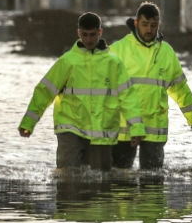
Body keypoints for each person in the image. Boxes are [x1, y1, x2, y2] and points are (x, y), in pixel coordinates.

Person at [18, 12, 146, 171]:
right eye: (85, 35)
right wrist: (29, 123)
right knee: (68, 176)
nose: (89, 39)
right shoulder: (68, 61)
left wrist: (136, 128)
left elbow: (128, 98)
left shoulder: (114, 63)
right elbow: (44, 91)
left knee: (101, 182)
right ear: (79, 33)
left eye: (93, 34)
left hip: (102, 131)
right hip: (71, 128)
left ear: (100, 32)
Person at [109, 1, 192, 170]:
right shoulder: (117, 50)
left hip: (154, 127)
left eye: (153, 25)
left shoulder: (166, 52)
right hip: (123, 127)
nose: (149, 30)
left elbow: (179, 87)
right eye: (144, 25)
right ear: (136, 23)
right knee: (120, 182)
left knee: (153, 182)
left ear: (159, 24)